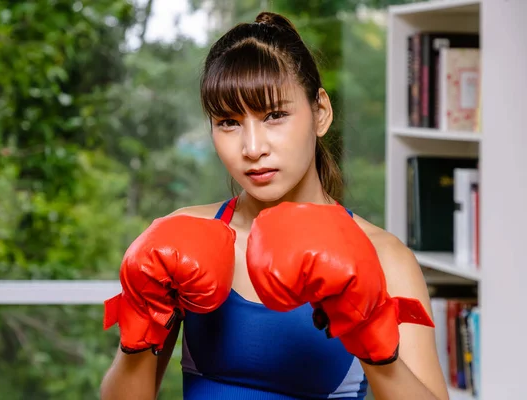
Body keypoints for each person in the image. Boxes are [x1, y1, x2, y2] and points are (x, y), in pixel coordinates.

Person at [100, 11, 449, 400]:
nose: (252, 148)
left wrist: (374, 342)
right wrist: (140, 324)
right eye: (229, 122)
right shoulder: (181, 237)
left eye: (275, 116)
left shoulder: (384, 258)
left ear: (321, 113)